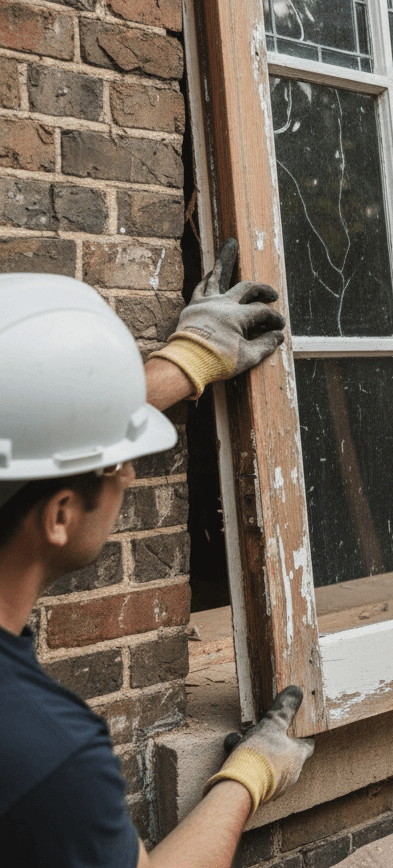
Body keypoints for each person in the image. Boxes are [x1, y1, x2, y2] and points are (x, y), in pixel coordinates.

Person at [0, 242, 315, 867]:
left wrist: (188, 360)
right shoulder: (42, 752)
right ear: (61, 515)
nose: (130, 474)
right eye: (123, 462)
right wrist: (247, 778)